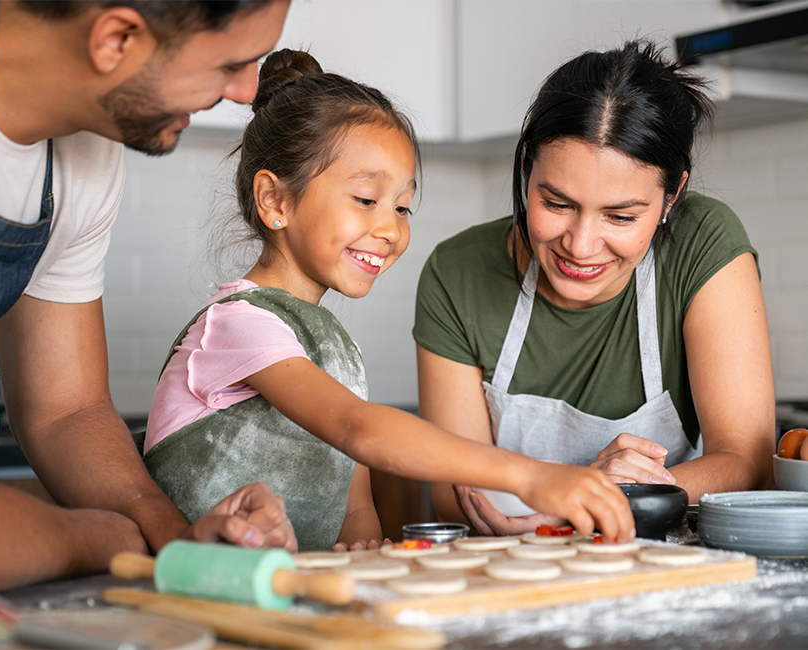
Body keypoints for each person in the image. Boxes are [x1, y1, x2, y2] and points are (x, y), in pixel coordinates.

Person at [143, 48, 636, 553]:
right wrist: (534, 477)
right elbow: (358, 429)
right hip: (194, 587)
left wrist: (363, 557)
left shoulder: (338, 353)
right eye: (366, 200)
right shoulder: (237, 324)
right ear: (275, 200)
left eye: (402, 207)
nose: (391, 230)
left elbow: (355, 505)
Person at [0, 0, 297, 591]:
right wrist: (117, 539)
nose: (247, 92)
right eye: (230, 64)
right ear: (116, 39)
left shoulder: (84, 151)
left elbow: (66, 410)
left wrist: (173, 536)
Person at [414, 40, 775, 537]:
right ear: (527, 166)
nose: (580, 246)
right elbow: (455, 495)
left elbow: (747, 463)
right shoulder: (457, 271)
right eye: (557, 203)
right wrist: (583, 493)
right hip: (513, 565)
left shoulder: (702, 242)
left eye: (620, 217)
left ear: (672, 196)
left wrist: (603, 497)